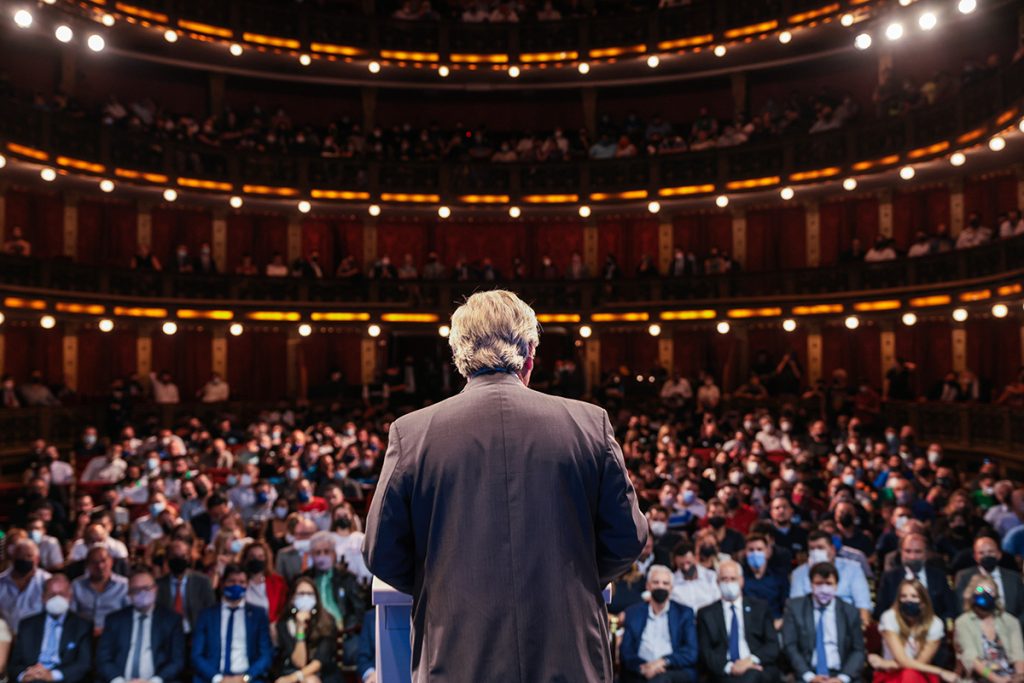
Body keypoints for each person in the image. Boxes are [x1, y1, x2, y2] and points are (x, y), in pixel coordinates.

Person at [364, 290, 647, 681]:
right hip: (569, 653)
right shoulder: (588, 423)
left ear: (459, 358)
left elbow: (381, 551)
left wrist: (445, 584)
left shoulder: (412, 434)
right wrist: (570, 578)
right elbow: (627, 538)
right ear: (530, 353)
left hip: (456, 655)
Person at [95, 567, 186, 683]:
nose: (142, 593)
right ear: (129, 593)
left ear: (155, 589)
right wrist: (119, 681)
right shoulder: (114, 620)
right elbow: (103, 658)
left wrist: (154, 681)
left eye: (147, 588)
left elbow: (177, 661)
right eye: (136, 590)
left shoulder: (171, 620)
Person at [696, 560, 780, 682]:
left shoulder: (760, 608)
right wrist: (730, 668)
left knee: (753, 675)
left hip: (756, 667)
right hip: (724, 672)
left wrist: (750, 661)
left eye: (733, 579)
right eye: (724, 579)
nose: (729, 583)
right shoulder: (706, 613)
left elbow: (772, 645)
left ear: (741, 581)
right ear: (717, 582)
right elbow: (706, 651)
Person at [782, 562, 866, 683]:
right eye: (819, 583)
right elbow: (790, 646)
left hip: (840, 674)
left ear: (836, 586)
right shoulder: (795, 608)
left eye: (828, 584)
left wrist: (841, 679)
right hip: (807, 674)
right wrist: (809, 677)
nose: (824, 588)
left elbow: (858, 650)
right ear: (811, 585)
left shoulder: (850, 611)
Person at [191, 564, 274, 683]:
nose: (237, 585)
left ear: (247, 584)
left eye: (242, 582)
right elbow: (196, 656)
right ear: (223, 583)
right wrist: (219, 679)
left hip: (248, 678)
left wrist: (245, 678)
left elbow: (265, 655)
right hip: (212, 678)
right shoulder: (207, 615)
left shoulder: (258, 615)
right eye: (232, 581)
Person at [619, 565, 698, 682]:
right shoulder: (633, 613)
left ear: (671, 588)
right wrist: (644, 668)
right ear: (648, 586)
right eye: (656, 582)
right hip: (641, 669)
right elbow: (626, 652)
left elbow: (691, 652)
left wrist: (662, 662)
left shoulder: (684, 613)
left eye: (665, 583)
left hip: (673, 669)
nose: (660, 586)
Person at [9, 574, 93, 683]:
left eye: (62, 594)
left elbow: (84, 664)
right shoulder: (27, 625)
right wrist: (24, 676)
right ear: (43, 597)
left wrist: (52, 676)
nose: (57, 599)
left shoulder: (82, 626)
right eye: (52, 595)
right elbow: (14, 664)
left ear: (70, 596)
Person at [869, 579, 957, 683]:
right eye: (903, 596)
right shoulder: (889, 618)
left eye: (914, 596)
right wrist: (940, 671)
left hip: (919, 674)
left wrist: (886, 663)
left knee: (910, 674)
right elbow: (902, 660)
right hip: (891, 675)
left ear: (923, 602)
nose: (908, 600)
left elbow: (919, 663)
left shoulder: (935, 624)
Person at [303, 532, 367, 664]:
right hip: (312, 629)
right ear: (311, 556)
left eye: (326, 551)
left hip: (343, 629)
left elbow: (359, 609)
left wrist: (346, 628)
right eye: (317, 552)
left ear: (334, 554)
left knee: (355, 651)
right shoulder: (304, 579)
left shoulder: (347, 578)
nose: (322, 556)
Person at [790, 530, 873, 624]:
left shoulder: (853, 569)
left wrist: (861, 629)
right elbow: (796, 608)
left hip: (847, 624)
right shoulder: (799, 573)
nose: (815, 552)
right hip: (810, 626)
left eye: (820, 548)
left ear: (832, 550)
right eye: (812, 549)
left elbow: (863, 605)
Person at [954, 576, 1024, 682]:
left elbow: (1018, 655)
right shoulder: (963, 622)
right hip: (981, 677)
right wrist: (996, 679)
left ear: (996, 595)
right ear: (972, 594)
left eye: (990, 591)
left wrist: (1019, 677)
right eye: (980, 590)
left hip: (1010, 676)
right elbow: (972, 659)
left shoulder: (1010, 621)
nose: (985, 594)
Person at [875, 533, 956, 622]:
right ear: (901, 552)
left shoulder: (938, 576)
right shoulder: (889, 578)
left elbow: (950, 609)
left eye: (918, 551)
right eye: (908, 551)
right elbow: (880, 612)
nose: (912, 557)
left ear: (926, 553)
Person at [273, 577, 340, 683]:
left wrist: (293, 678)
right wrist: (300, 628)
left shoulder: (327, 622)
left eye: (310, 594)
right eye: (301, 593)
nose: (305, 597)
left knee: (310, 681)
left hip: (323, 674)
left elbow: (319, 661)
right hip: (292, 670)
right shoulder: (284, 624)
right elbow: (299, 662)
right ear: (292, 598)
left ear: (316, 598)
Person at [955, 536, 1024, 624]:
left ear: (999, 554)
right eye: (981, 553)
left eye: (990, 552)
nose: (986, 556)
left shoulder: (1014, 578)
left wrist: (1015, 625)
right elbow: (961, 607)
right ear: (975, 556)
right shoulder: (964, 577)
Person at [157, 538, 216, 635]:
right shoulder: (159, 585)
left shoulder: (202, 582)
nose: (179, 559)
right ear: (167, 559)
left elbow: (211, 611)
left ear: (189, 558)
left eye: (183, 556)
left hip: (195, 634)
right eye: (175, 556)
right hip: (166, 636)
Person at [70, 545, 130, 633]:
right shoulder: (77, 585)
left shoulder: (124, 585)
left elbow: (129, 615)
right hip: (84, 634)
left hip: (115, 633)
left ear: (111, 561)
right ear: (87, 565)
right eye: (94, 562)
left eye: (103, 561)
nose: (100, 566)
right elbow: (71, 614)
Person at [0, 539, 52, 634]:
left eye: (29, 556)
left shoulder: (47, 581)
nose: (24, 559)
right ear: (13, 557)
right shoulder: (1, 582)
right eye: (19, 555)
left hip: (36, 638)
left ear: (37, 559)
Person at [241, 541, 288, 625]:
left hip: (269, 629)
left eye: (260, 557)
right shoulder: (239, 581)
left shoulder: (278, 583)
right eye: (252, 557)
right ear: (246, 559)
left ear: (266, 559)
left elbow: (283, 610)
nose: (256, 560)